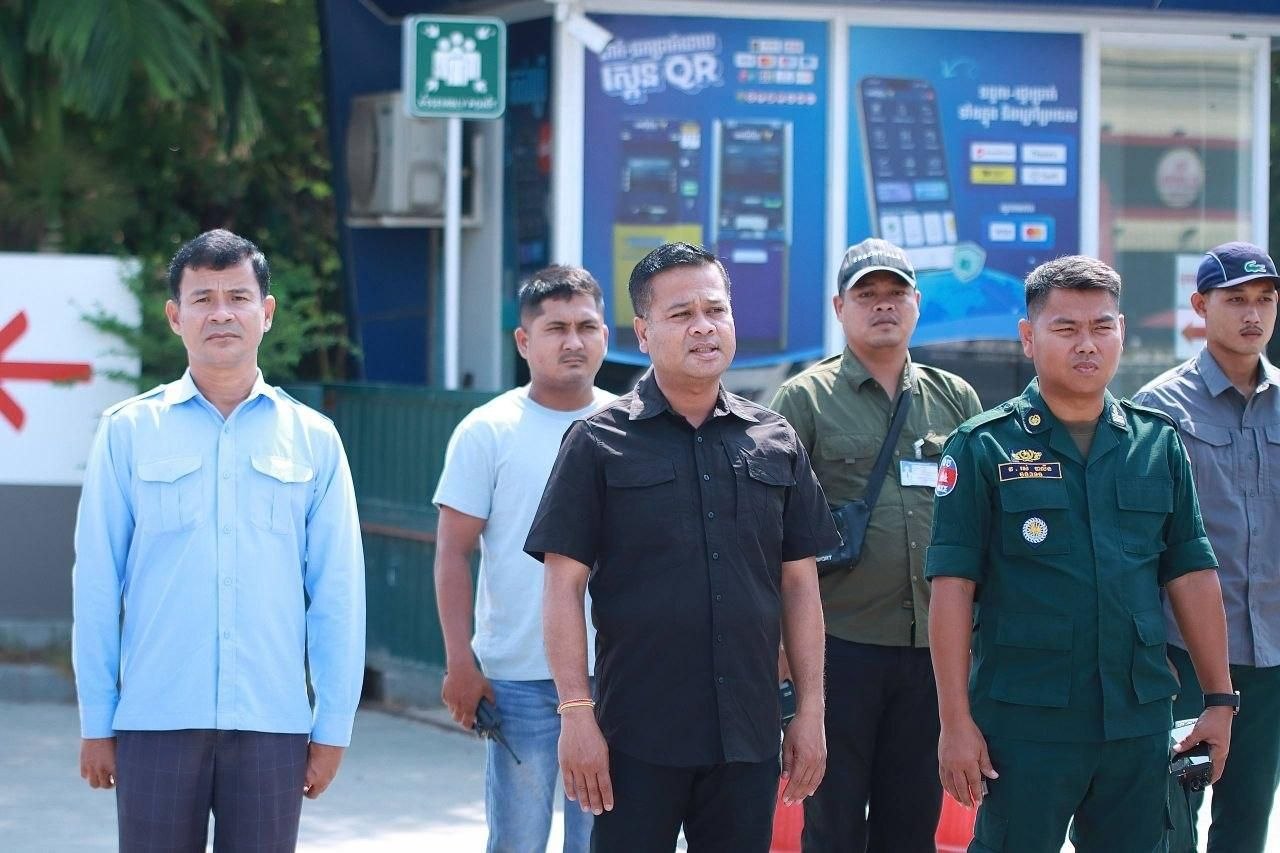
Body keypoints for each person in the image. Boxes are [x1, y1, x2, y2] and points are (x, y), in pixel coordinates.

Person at [525, 242, 839, 852]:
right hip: (636, 736)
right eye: (681, 314)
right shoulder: (597, 442)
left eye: (715, 310)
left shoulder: (773, 439)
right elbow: (562, 587)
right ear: (643, 333)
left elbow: (801, 587)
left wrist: (811, 710)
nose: (703, 327)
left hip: (746, 735)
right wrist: (575, 713)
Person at [925, 255, 1234, 853]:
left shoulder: (1156, 442)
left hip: (1137, 721)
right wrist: (954, 722)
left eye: (1102, 327)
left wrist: (1220, 700)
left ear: (1122, 332)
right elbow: (952, 588)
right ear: (1028, 337)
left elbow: (1192, 573)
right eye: (1065, 328)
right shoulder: (983, 447)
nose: (1086, 344)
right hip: (1025, 725)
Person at [72, 229, 366, 850]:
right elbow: (96, 583)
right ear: (175, 316)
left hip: (271, 721)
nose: (221, 313)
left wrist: (332, 724)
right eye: (202, 299)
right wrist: (97, 719)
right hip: (155, 717)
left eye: (238, 296)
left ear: (267, 312)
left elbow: (338, 592)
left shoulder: (313, 439)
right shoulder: (128, 431)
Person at [770, 238, 982, 852]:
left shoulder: (956, 398)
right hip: (839, 647)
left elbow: (976, 522)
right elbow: (771, 532)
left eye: (896, 293)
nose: (883, 305)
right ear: (840, 307)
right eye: (867, 294)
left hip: (932, 651)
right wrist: (782, 649)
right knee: (832, 823)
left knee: (912, 823)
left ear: (917, 303)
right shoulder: (803, 400)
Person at [433, 264, 614, 852]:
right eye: (556, 328)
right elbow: (452, 552)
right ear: (523, 341)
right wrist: (460, 663)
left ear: (606, 335)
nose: (573, 341)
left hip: (616, 675)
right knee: (517, 841)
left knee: (603, 840)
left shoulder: (631, 427)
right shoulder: (487, 431)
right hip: (517, 679)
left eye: (586, 326)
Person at [1131, 241, 1279, 853]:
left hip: (1270, 655)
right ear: (1200, 306)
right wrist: (1146, 649)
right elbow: (1137, 545)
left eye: (1265, 299)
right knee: (1172, 818)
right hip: (1182, 653)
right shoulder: (1159, 408)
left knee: (1248, 821)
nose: (1253, 314)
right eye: (1236, 299)